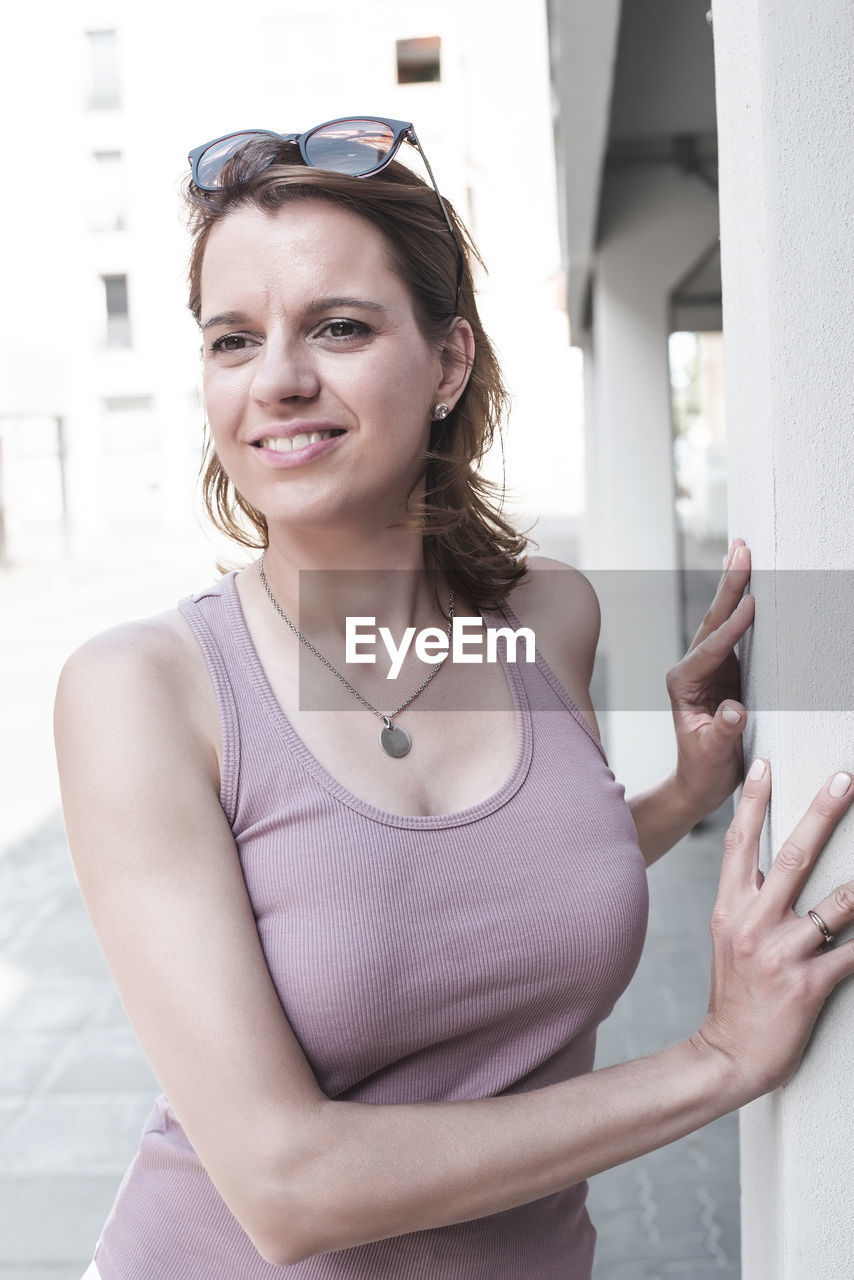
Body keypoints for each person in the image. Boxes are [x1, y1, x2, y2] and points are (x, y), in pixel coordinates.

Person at [55, 117, 854, 1280]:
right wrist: (718, 1059)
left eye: (336, 325)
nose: (277, 379)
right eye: (233, 339)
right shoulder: (143, 691)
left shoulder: (550, 617)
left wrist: (682, 792)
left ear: (447, 361)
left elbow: (473, 893)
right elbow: (287, 1185)